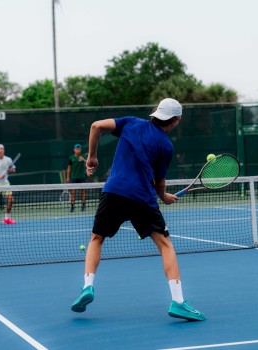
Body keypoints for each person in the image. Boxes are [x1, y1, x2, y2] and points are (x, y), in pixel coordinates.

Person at [71, 98, 206, 321]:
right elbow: (159, 182)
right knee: (165, 245)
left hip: (114, 192)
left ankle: (87, 286)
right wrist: (163, 197)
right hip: (142, 197)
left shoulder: (131, 123)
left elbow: (96, 126)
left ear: (156, 113)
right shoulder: (166, 146)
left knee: (96, 238)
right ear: (176, 120)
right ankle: (179, 302)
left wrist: (92, 157)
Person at [66, 144, 87, 212]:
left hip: (81, 177)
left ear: (80, 150)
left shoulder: (83, 156)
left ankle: (83, 206)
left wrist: (83, 159)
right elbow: (69, 168)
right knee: (73, 192)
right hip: (73, 177)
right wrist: (68, 177)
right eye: (76, 149)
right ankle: (72, 206)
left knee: (83, 192)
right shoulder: (71, 157)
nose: (78, 150)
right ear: (74, 149)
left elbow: (88, 164)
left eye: (79, 149)